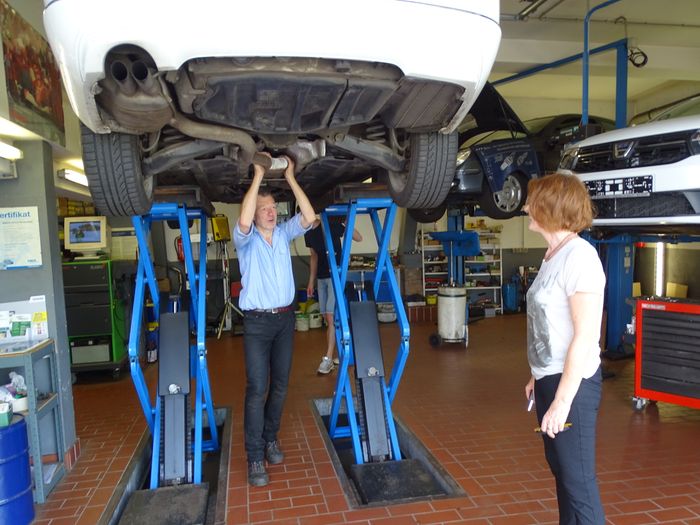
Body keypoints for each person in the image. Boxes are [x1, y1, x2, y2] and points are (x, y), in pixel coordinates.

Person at [523, 173, 606, 524]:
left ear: (549, 209)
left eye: (532, 202)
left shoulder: (580, 257)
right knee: (564, 477)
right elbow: (551, 323)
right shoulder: (552, 255)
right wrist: (536, 373)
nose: (525, 207)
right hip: (549, 379)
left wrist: (561, 401)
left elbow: (585, 336)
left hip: (573, 387)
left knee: (579, 483)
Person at [233, 154, 315, 487]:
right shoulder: (245, 241)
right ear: (254, 213)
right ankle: (254, 457)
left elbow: (309, 216)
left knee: (280, 386)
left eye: (272, 208)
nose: (271, 211)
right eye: (264, 208)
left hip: (284, 322)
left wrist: (291, 177)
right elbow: (242, 220)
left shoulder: (283, 234)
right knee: (257, 389)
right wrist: (258, 175)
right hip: (256, 324)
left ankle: (270, 438)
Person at [305, 216, 362, 374]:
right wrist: (311, 282)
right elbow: (314, 257)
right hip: (321, 279)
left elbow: (359, 238)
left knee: (330, 317)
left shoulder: (331, 224)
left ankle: (328, 358)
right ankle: (343, 353)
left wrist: (345, 221)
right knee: (328, 318)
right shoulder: (308, 232)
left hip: (335, 276)